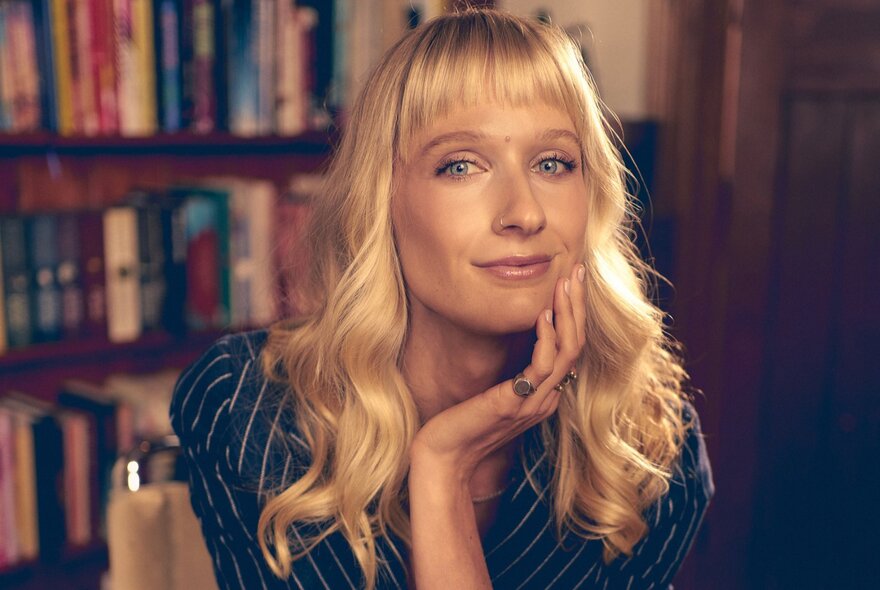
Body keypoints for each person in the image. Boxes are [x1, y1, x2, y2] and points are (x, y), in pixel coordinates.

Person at [170, 8, 713, 590]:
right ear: (382, 203)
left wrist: (442, 470)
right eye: (460, 166)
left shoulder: (651, 447)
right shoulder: (248, 406)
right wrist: (443, 467)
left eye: (552, 163)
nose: (525, 213)